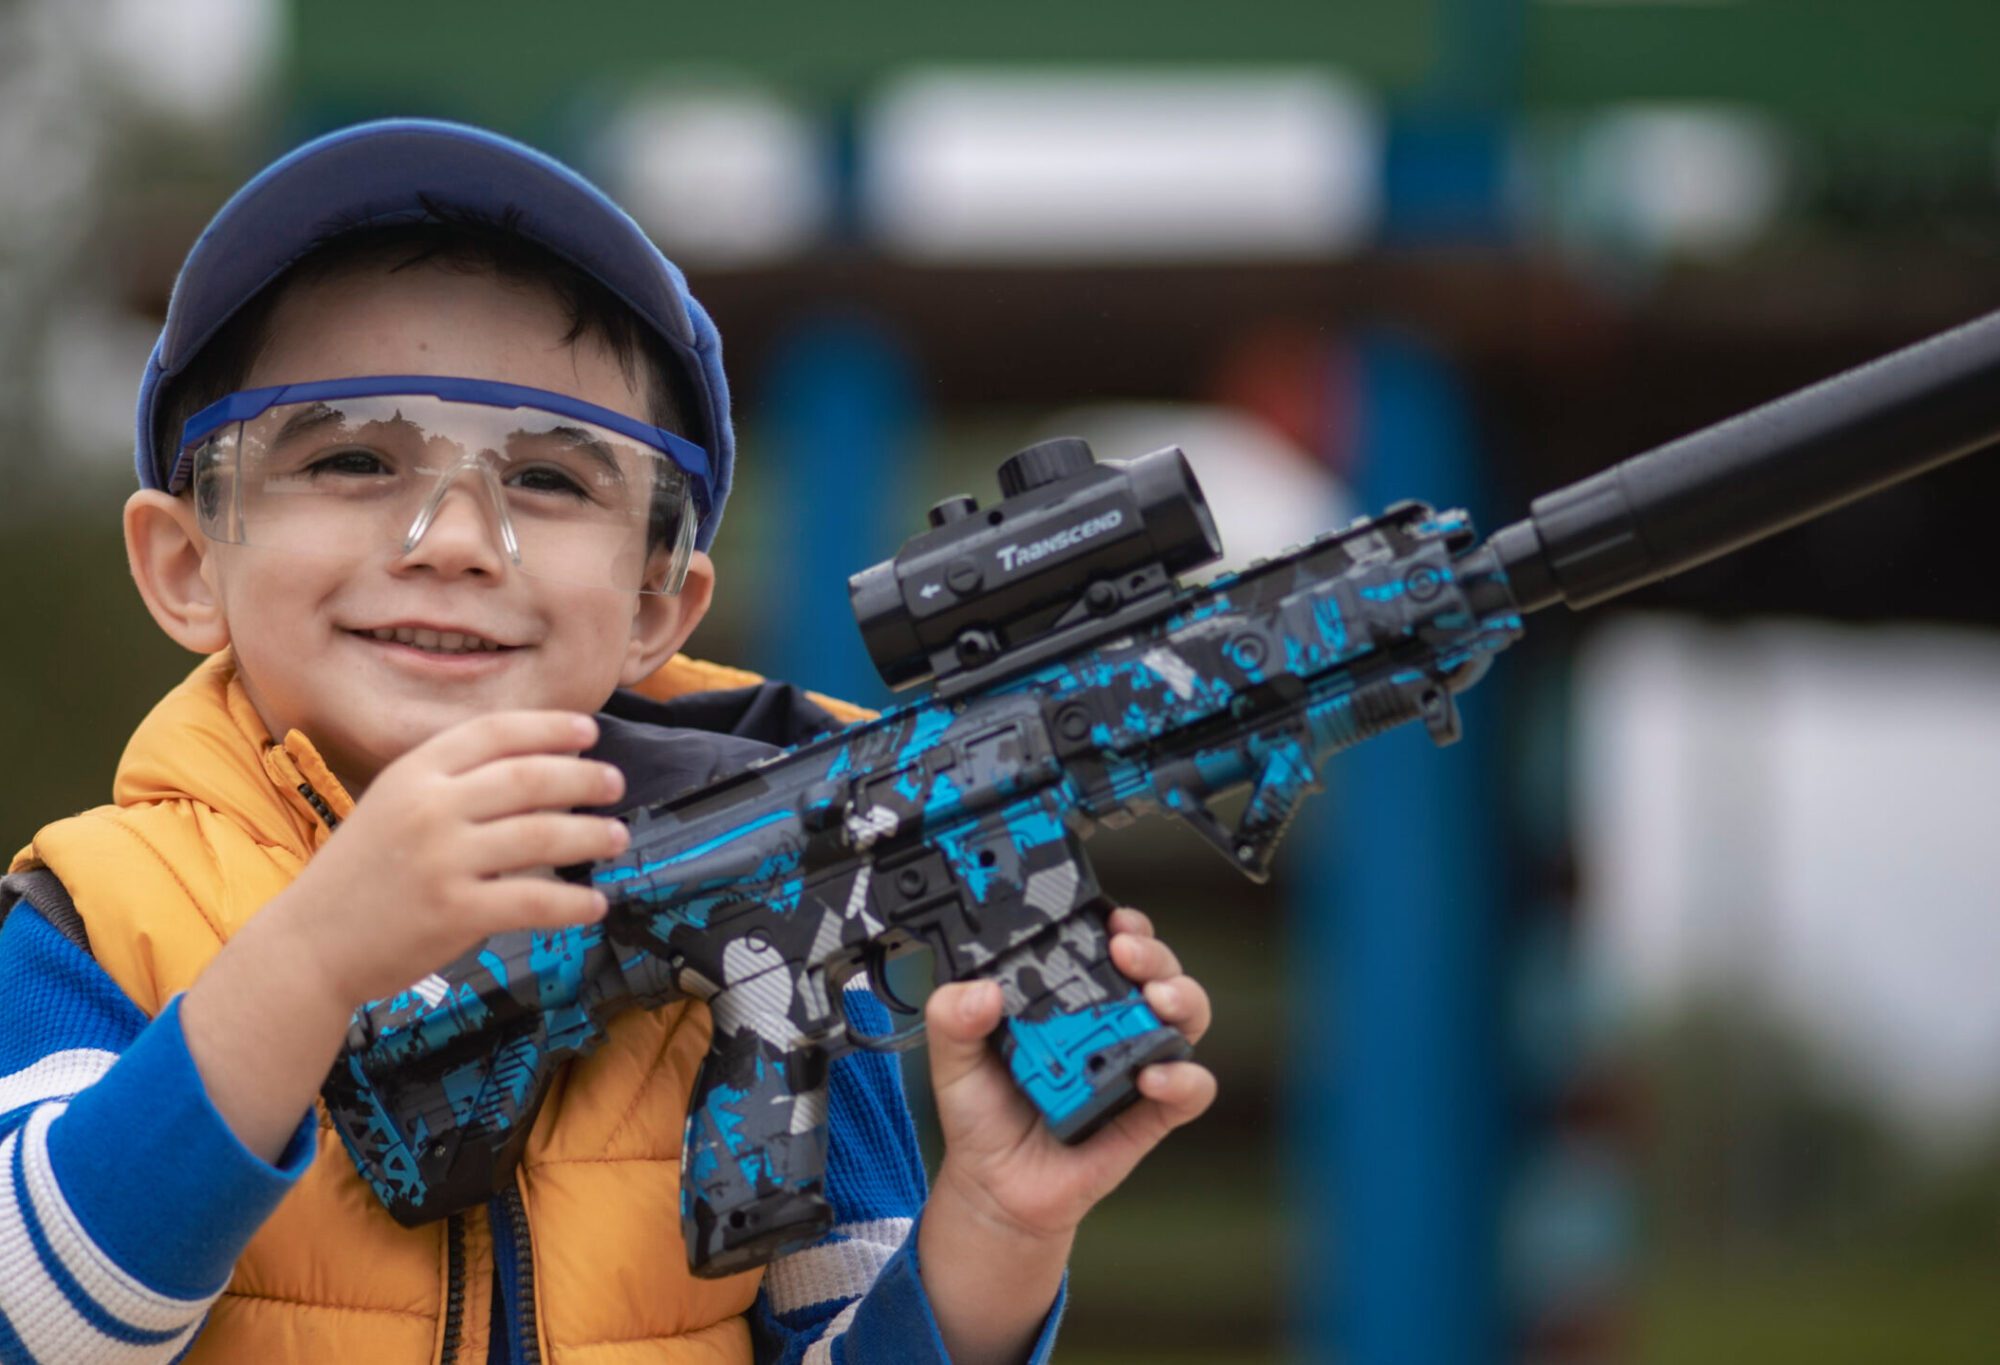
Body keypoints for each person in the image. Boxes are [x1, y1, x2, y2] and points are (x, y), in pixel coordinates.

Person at [0, 119, 1217, 1364]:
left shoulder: (779, 912)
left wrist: (997, 1229)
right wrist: (312, 961)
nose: (455, 537)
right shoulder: (99, 915)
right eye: (355, 456)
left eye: (549, 480)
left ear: (658, 604)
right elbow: (28, 1321)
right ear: (186, 563)